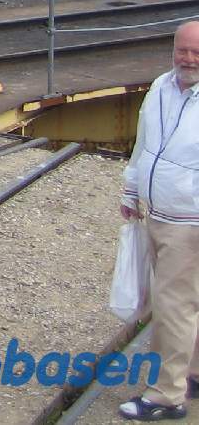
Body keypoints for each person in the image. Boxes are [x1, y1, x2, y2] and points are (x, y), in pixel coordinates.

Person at [117, 21, 199, 421]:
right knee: (187, 300)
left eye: (196, 53)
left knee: (173, 306)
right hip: (159, 213)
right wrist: (132, 191)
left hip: (190, 220)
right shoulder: (160, 87)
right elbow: (144, 143)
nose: (188, 59)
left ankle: (167, 395)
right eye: (182, 50)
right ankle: (193, 373)